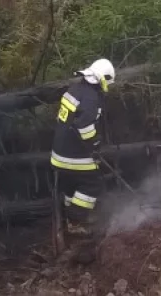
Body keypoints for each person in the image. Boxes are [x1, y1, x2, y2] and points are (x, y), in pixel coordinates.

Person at [50, 58, 114, 237]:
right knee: (93, 184)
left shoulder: (75, 89)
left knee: (71, 184)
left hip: (58, 153)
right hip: (74, 155)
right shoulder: (91, 99)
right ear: (101, 80)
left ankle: (70, 216)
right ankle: (76, 221)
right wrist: (94, 143)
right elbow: (83, 126)